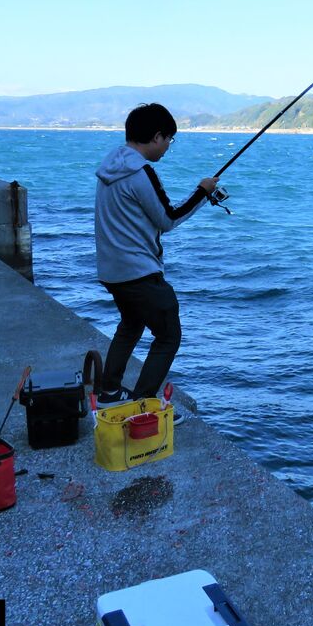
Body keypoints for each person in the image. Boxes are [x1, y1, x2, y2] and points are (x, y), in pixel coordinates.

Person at [94, 103, 218, 404]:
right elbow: (167, 219)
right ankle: (143, 405)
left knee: (131, 325)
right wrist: (202, 191)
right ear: (157, 136)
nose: (167, 148)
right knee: (168, 335)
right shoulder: (141, 173)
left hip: (111, 270)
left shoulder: (110, 164)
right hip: (139, 272)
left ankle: (109, 392)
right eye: (169, 141)